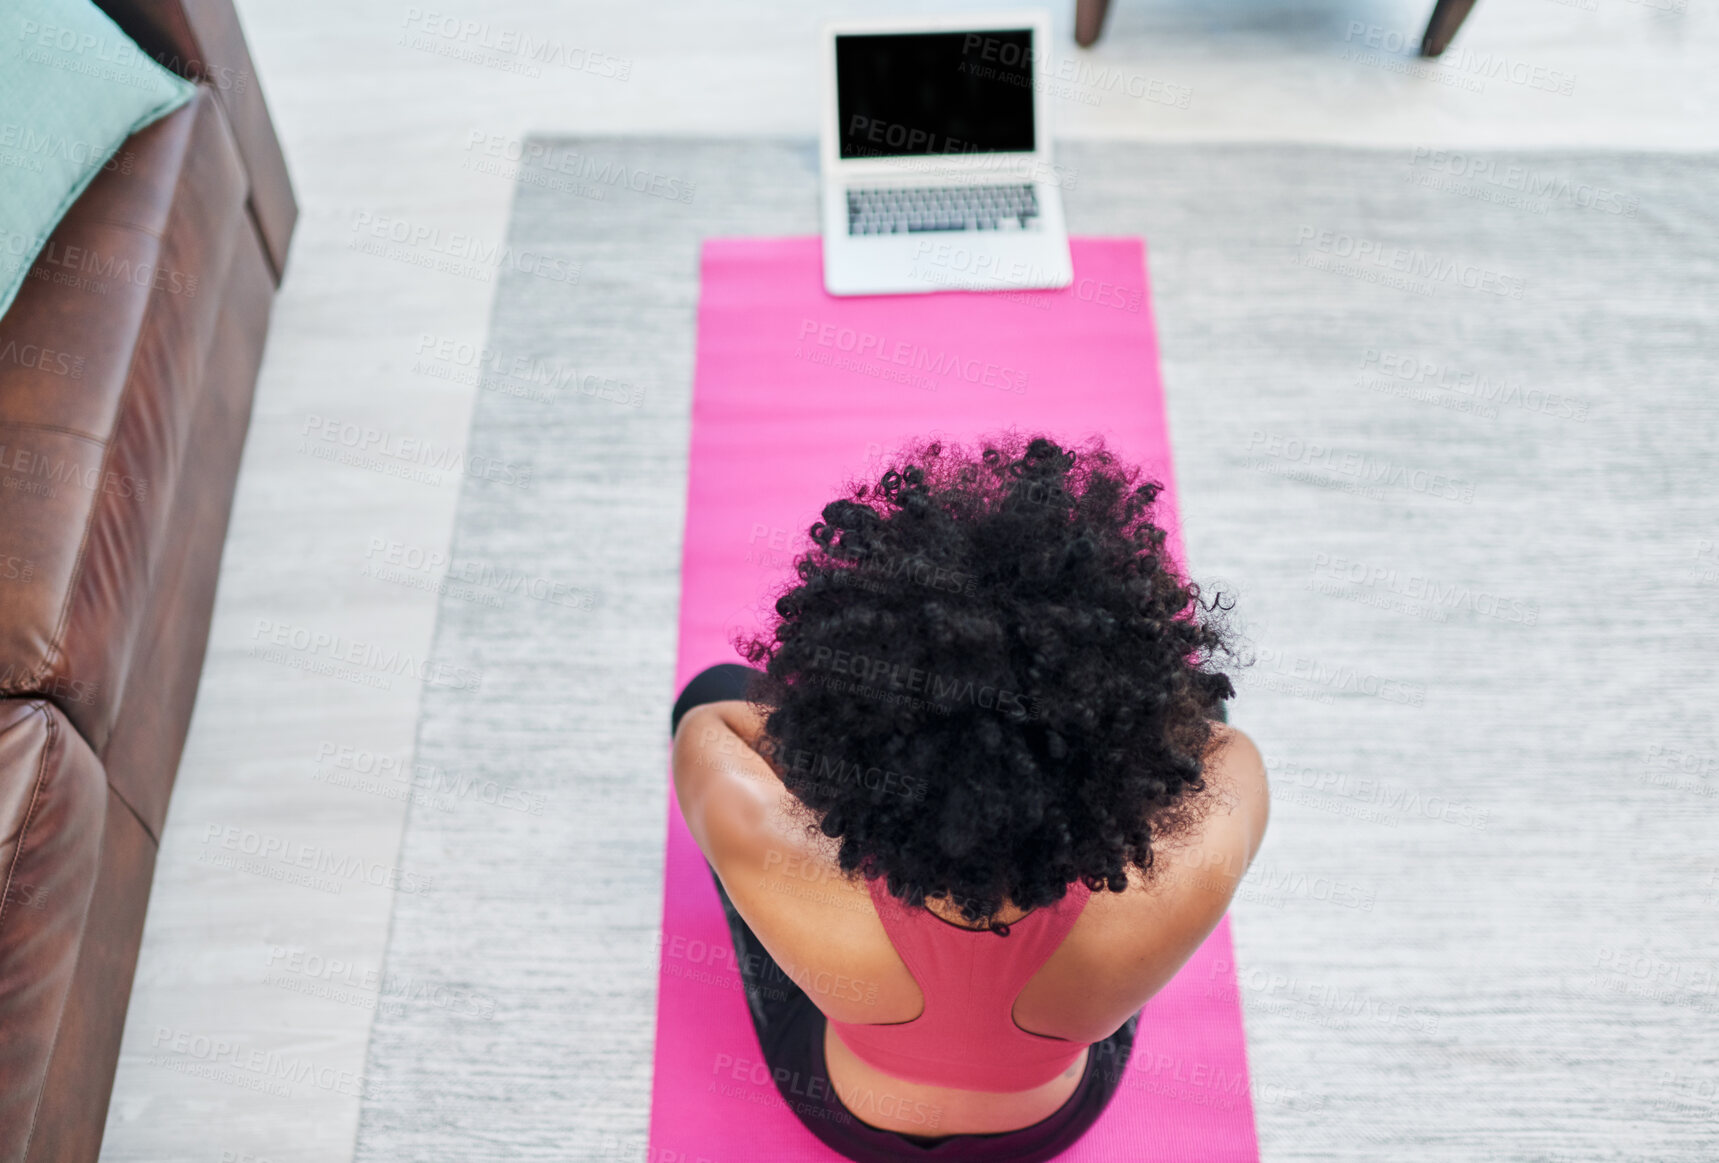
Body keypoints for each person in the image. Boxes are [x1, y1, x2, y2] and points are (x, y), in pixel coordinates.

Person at [670, 434, 1269, 1162]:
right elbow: (1220, 749)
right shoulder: (1194, 869)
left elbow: (710, 724)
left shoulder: (751, 832)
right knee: (1200, 724)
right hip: (1047, 1122)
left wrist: (824, 740)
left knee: (714, 686)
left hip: (840, 1108)